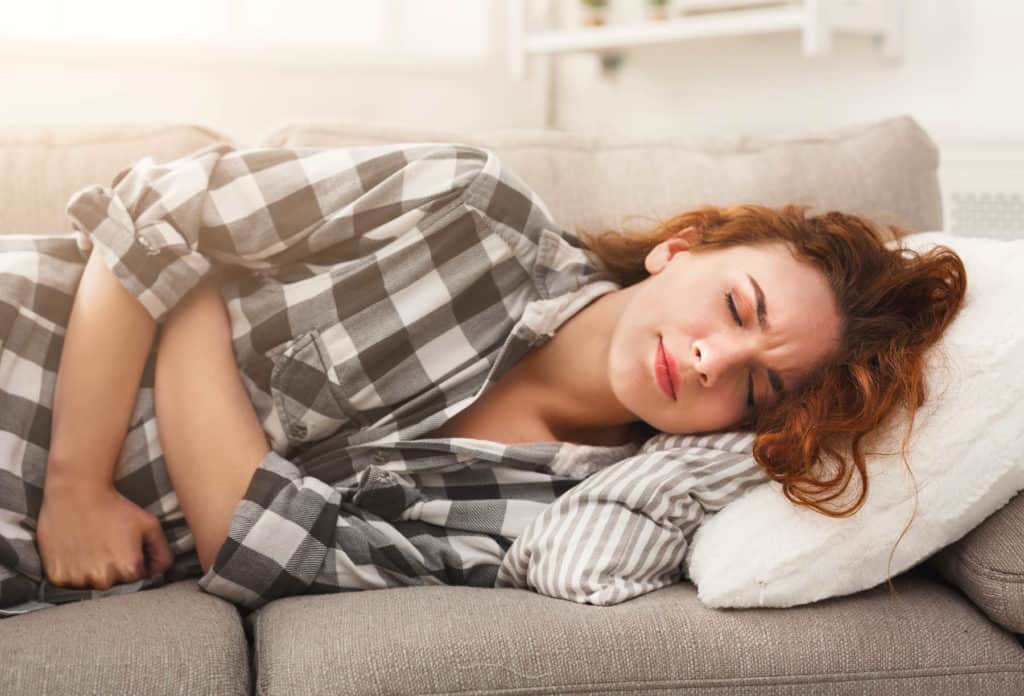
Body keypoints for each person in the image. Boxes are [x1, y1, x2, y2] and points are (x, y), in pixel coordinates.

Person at [0, 142, 965, 617]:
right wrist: (80, 481)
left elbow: (268, 550)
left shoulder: (557, 507)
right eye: (739, 310)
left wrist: (192, 299)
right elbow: (149, 210)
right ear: (683, 248)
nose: (714, 359)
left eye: (755, 390)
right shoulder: (471, 209)